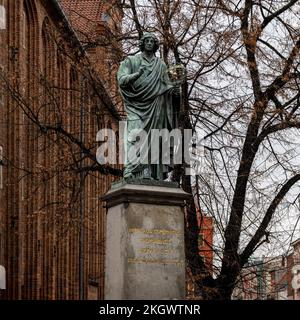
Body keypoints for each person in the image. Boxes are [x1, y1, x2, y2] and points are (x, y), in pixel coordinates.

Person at [117, 32, 180, 180]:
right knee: (136, 134)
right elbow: (121, 80)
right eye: (147, 40)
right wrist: (137, 75)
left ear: (156, 45)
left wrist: (175, 92)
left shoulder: (161, 65)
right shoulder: (131, 61)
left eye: (153, 41)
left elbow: (167, 87)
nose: (150, 43)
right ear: (142, 43)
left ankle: (150, 173)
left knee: (154, 140)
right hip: (135, 105)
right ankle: (131, 169)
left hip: (156, 106)